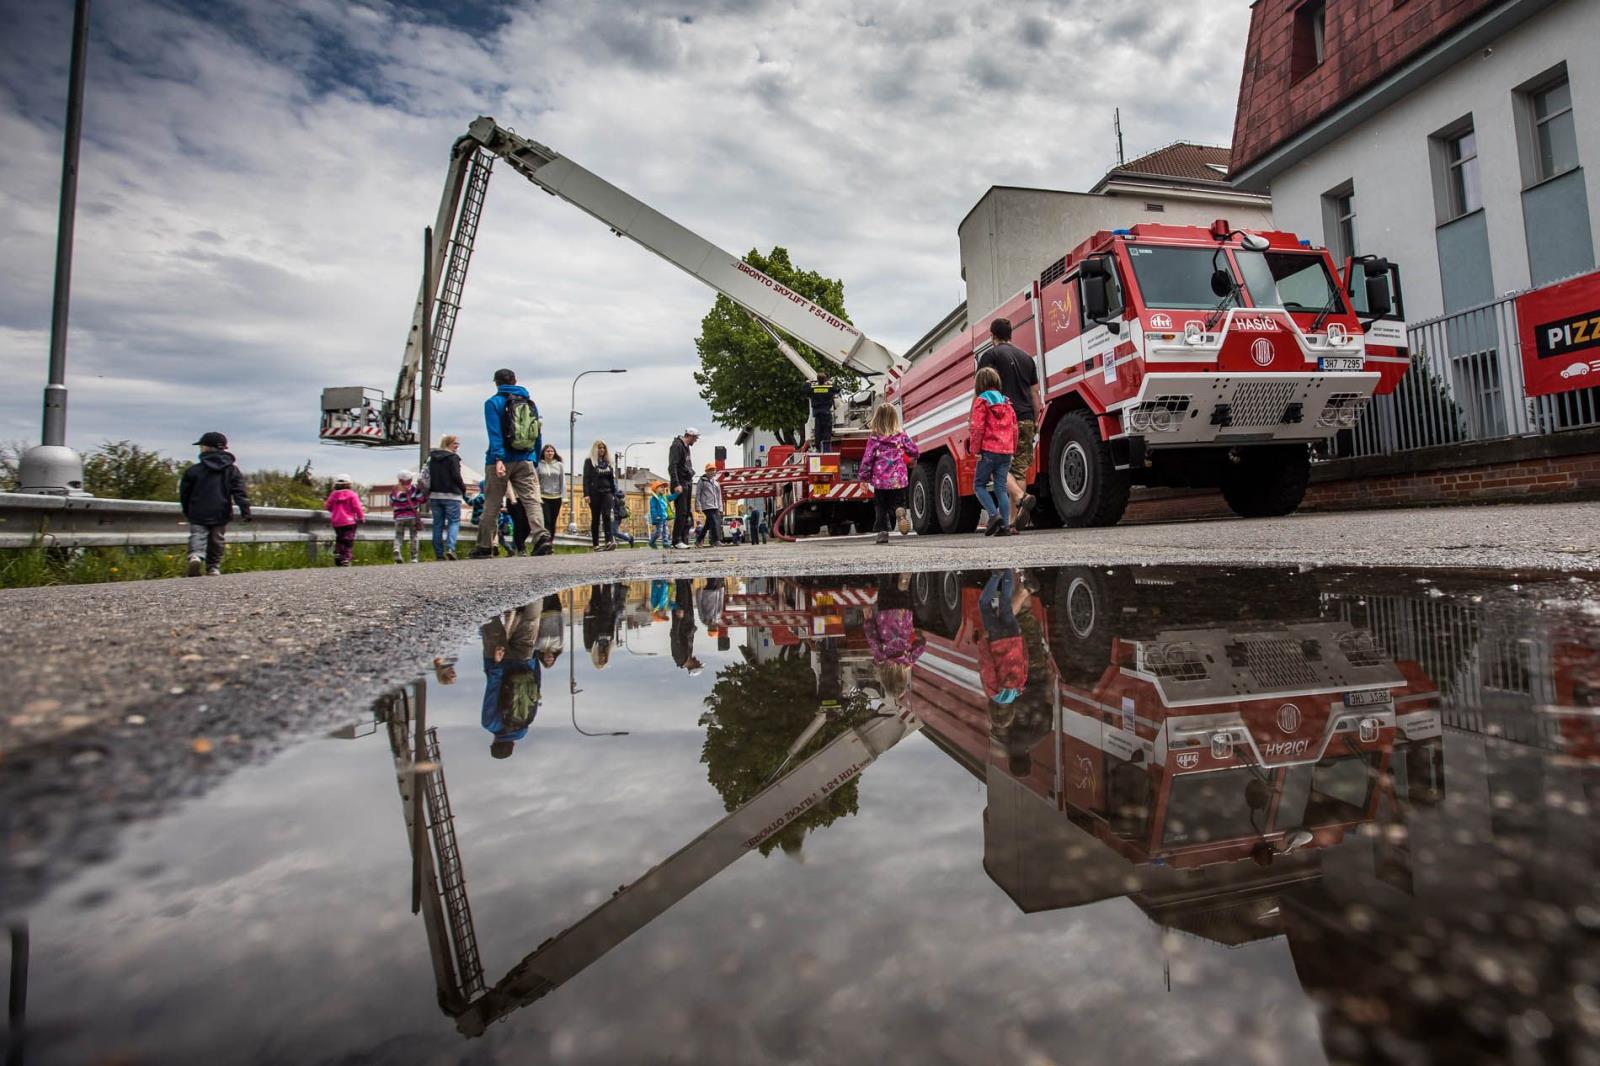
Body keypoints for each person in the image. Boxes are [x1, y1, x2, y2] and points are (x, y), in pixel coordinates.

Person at [472, 368, 551, 559]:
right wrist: (533, 457)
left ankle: (484, 546)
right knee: (531, 500)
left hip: (499, 461)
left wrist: (498, 457)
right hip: (525, 459)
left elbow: (494, 433)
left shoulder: (493, 403)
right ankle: (542, 538)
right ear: (515, 381)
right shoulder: (529, 403)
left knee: (492, 503)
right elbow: (536, 433)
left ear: (496, 383)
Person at [977, 318, 1041, 529]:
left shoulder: (990, 356)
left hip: (1002, 420)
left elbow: (982, 391)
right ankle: (1012, 521)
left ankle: (1021, 497)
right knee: (1019, 469)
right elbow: (1034, 394)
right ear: (1010, 333)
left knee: (999, 469)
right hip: (1026, 419)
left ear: (993, 335)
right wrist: (1036, 418)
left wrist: (974, 418)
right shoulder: (1027, 358)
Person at [178, 431, 252, 577]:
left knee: (197, 535)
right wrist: (245, 510)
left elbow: (184, 494)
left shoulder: (193, 471)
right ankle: (213, 567)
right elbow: (239, 492)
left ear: (205, 448)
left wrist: (187, 510)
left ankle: (196, 556)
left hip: (197, 511)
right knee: (217, 539)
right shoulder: (231, 470)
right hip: (221, 511)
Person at [481, 607, 540, 759]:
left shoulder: (526, 722)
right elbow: (492, 691)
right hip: (500, 662)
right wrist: (496, 664)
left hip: (524, 662)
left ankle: (537, 588)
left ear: (513, 744)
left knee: (530, 620)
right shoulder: (490, 723)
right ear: (494, 743)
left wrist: (534, 661)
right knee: (488, 617)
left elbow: (535, 688)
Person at [859, 402, 921, 545]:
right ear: (895, 419)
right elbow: (915, 451)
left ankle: (882, 533)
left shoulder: (874, 439)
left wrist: (863, 478)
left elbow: (867, 459)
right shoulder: (901, 436)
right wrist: (912, 459)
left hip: (880, 480)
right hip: (898, 477)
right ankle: (899, 510)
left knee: (881, 506)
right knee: (898, 502)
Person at [970, 365, 1019, 536]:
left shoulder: (981, 402)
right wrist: (1012, 448)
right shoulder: (1007, 403)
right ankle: (1005, 526)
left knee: (978, 485)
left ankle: (993, 515)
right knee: (1001, 488)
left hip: (988, 451)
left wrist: (975, 449)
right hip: (1005, 452)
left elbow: (977, 427)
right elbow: (1014, 428)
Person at [977, 569, 1029, 708]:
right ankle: (996, 576)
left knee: (1005, 601)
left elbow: (1025, 659)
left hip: (1013, 636)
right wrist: (982, 642)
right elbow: (987, 664)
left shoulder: (1020, 684)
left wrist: (1020, 638)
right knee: (984, 605)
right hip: (997, 639)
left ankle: (1007, 569)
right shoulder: (994, 691)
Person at [423, 435, 467, 561]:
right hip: (452, 495)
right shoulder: (453, 458)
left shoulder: (432, 458)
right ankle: (450, 549)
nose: (457, 446)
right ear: (448, 444)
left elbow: (426, 475)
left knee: (438, 524)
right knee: (453, 522)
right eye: (455, 443)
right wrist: (463, 489)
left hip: (435, 495)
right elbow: (456, 476)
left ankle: (438, 553)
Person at [583, 440, 618, 552]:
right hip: (594, 493)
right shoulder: (589, 462)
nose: (602, 450)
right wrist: (586, 494)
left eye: (603, 448)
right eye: (599, 448)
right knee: (596, 518)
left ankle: (608, 541)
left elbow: (612, 479)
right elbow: (586, 479)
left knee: (607, 516)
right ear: (595, 449)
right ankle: (596, 544)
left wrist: (614, 493)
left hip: (607, 492)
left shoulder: (608, 462)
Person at [667, 427, 699, 549]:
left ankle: (682, 539)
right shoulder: (677, 446)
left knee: (686, 512)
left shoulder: (686, 448)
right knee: (681, 511)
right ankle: (676, 540)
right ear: (689, 436)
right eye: (695, 438)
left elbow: (684, 464)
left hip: (687, 481)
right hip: (680, 483)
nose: (695, 441)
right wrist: (676, 483)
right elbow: (672, 466)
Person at [325, 474, 366, 567]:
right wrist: (361, 517)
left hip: (336, 522)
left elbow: (327, 506)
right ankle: (346, 558)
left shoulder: (333, 495)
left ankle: (338, 553)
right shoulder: (352, 494)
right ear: (349, 484)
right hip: (349, 521)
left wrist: (336, 511)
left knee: (339, 538)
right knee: (348, 540)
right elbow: (357, 507)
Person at [389, 471, 424, 563]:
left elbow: (391, 503)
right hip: (412, 516)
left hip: (399, 517)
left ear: (399, 480)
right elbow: (422, 500)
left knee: (398, 536)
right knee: (414, 536)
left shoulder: (394, 490)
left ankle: (397, 549)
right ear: (411, 480)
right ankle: (414, 557)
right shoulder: (414, 489)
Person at [536, 445, 565, 535]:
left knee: (553, 521)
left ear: (554, 453)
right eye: (547, 451)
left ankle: (550, 542)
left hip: (556, 497)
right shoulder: (539, 465)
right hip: (543, 497)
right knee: (546, 521)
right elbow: (535, 481)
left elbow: (562, 480)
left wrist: (564, 497)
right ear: (543, 453)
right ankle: (546, 542)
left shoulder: (559, 465)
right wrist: (536, 496)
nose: (550, 453)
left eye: (552, 451)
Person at [695, 463, 724, 546]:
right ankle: (716, 540)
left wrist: (720, 508)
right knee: (714, 522)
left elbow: (719, 496)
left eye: (713, 470)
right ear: (706, 471)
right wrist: (698, 506)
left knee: (708, 525)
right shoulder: (702, 481)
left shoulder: (716, 482)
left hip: (715, 506)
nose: (712, 472)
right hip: (707, 506)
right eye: (710, 470)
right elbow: (698, 494)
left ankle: (698, 540)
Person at [534, 593, 564, 669]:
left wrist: (537, 616)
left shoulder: (537, 646)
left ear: (543, 658)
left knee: (546, 592)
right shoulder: (559, 645)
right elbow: (561, 629)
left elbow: (536, 629)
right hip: (556, 612)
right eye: (551, 660)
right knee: (554, 591)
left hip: (543, 613)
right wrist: (561, 615)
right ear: (554, 658)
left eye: (547, 660)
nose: (549, 658)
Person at [809, 376, 837, 452]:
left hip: (818, 414)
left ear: (817, 380)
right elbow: (837, 390)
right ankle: (826, 449)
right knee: (827, 432)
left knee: (818, 432)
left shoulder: (813, 389)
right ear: (825, 380)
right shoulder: (829, 388)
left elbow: (804, 390)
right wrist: (831, 384)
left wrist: (807, 383)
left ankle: (818, 448)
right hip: (826, 413)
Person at [648, 482, 671, 548]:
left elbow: (665, 505)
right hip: (659, 517)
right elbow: (653, 508)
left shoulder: (663, 498)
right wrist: (656, 516)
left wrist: (676, 494)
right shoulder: (654, 498)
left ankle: (665, 543)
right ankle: (651, 542)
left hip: (664, 517)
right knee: (659, 532)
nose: (663, 489)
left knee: (665, 531)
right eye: (661, 487)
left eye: (664, 487)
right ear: (655, 489)